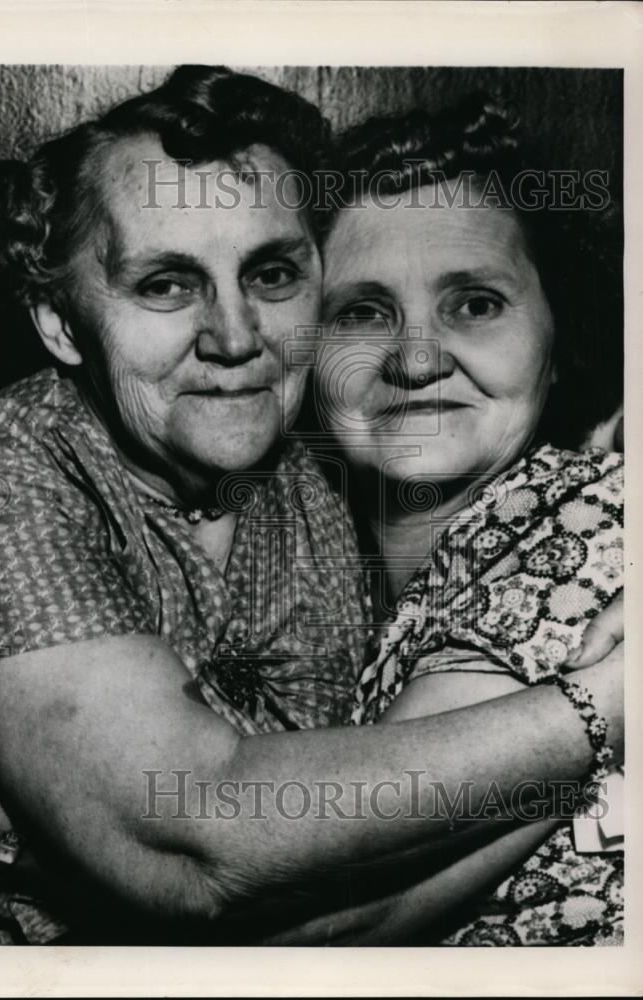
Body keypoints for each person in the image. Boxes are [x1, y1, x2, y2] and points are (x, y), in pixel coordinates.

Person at [0, 66, 623, 945]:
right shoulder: (24, 464)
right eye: (167, 284)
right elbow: (207, 854)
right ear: (58, 322)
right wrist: (604, 715)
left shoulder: (584, 523)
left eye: (274, 274)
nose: (237, 338)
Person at [317, 95, 625, 944]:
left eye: (476, 304)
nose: (416, 358)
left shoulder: (595, 518)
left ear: (559, 341)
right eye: (361, 313)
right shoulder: (325, 589)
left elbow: (319, 911)